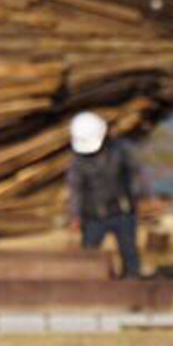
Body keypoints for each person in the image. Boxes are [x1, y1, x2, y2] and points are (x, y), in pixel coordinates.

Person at [66, 109, 144, 277]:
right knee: (88, 254)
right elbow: (76, 188)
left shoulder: (120, 150)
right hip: (93, 215)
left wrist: (138, 197)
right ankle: (88, 288)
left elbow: (135, 174)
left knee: (129, 251)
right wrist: (75, 216)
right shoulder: (78, 160)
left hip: (122, 210)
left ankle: (132, 283)